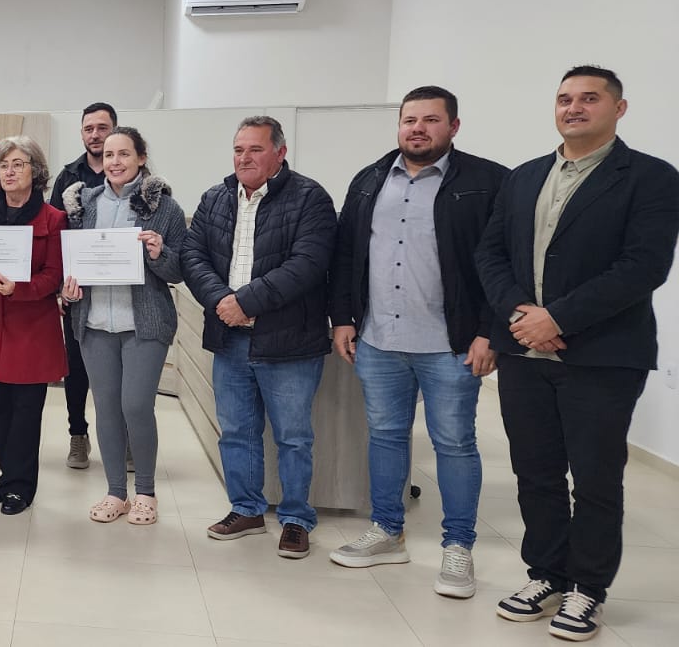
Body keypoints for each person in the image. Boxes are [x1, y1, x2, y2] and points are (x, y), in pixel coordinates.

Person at [476, 66, 679, 641]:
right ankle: (545, 573)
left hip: (602, 357)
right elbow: (490, 254)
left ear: (619, 108)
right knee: (534, 472)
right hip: (524, 354)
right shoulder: (524, 177)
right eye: (565, 98)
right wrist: (521, 315)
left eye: (590, 98)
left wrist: (557, 318)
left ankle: (588, 587)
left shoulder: (650, 178)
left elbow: (643, 266)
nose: (574, 108)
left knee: (594, 479)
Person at [327, 86, 508, 599]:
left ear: (454, 126)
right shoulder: (369, 180)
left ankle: (459, 546)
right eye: (410, 120)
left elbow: (504, 263)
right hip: (379, 339)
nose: (418, 129)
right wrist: (343, 318)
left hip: (452, 344)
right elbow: (346, 255)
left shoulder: (488, 181)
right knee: (386, 436)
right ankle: (388, 530)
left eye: (430, 120)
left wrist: (489, 331)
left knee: (454, 443)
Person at [181, 116, 335, 559]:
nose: (244, 158)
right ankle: (246, 509)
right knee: (236, 431)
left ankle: (296, 518)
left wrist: (246, 301)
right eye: (238, 150)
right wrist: (221, 300)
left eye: (255, 149)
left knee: (293, 436)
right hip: (230, 337)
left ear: (280, 152)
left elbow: (307, 264)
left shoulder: (310, 198)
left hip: (288, 341)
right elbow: (193, 255)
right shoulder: (215, 198)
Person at [58, 127, 184, 526]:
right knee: (107, 409)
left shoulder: (164, 207)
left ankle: (145, 492)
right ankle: (116, 492)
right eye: (109, 155)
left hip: (143, 323)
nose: (115, 162)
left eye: (124, 154)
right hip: (94, 323)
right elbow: (72, 262)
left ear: (141, 158)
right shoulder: (84, 204)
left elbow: (179, 269)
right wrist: (68, 288)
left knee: (136, 406)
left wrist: (159, 254)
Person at [0, 136, 68, 516]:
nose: (9, 172)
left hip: (30, 331)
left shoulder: (53, 219)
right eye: (3, 165)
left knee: (25, 413)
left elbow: (53, 275)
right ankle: (6, 476)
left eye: (18, 164)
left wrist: (20, 289)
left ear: (36, 171)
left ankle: (21, 485)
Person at [49, 101, 117, 470]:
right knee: (76, 368)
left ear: (114, 130)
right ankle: (78, 434)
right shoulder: (67, 177)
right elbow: (53, 234)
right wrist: (59, 287)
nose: (95, 134)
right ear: (81, 133)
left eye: (102, 128)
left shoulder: (131, 171)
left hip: (122, 289)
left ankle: (123, 438)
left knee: (121, 372)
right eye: (89, 128)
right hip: (77, 291)